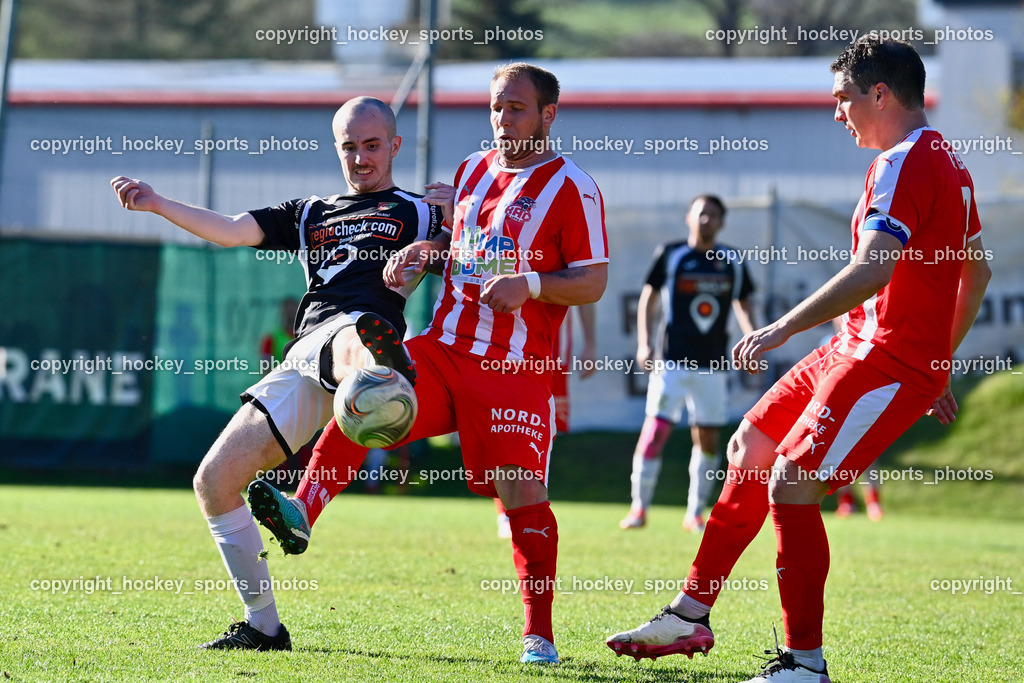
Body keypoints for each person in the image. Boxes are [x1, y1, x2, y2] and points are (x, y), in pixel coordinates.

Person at [606, 37, 990, 683]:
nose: (837, 113)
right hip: (859, 347)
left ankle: (804, 665)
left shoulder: (902, 162)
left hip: (887, 359)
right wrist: (943, 359)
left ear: (880, 94)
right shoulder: (950, 161)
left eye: (843, 99)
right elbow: (975, 273)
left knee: (791, 482)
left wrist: (784, 326)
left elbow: (873, 268)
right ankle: (690, 612)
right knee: (749, 448)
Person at [247, 62, 609, 665]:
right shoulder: (471, 172)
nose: (502, 118)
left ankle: (538, 634)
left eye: (516, 108)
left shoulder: (574, 187)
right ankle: (304, 508)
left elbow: (592, 280)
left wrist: (533, 285)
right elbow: (465, 252)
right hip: (444, 348)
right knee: (367, 393)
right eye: (496, 106)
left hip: (513, 368)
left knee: (521, 495)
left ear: (548, 115)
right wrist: (423, 252)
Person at [110, 96, 445, 651]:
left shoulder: (420, 208)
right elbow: (232, 229)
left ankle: (380, 376)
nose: (361, 158)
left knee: (355, 334)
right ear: (337, 148)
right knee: (214, 483)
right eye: (349, 147)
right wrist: (157, 202)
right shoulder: (312, 211)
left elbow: (479, 237)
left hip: (362, 324)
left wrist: (439, 233)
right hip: (303, 354)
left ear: (395, 146)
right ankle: (264, 626)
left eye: (372, 145)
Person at [619, 195, 756, 533]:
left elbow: (744, 303)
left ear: (722, 222)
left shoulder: (732, 260)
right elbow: (648, 297)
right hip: (672, 363)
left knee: (708, 439)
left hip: (713, 366)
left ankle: (695, 512)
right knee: (654, 433)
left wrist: (754, 341)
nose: (706, 220)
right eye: (701, 214)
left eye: (713, 215)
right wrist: (644, 342)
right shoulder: (671, 254)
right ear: (688, 218)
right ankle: (638, 508)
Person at [496, 302, 597, 538]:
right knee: (504, 427)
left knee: (542, 431)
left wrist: (590, 344)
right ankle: (507, 512)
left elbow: (586, 286)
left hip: (553, 353)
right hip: (506, 347)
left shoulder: (571, 265)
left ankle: (531, 506)